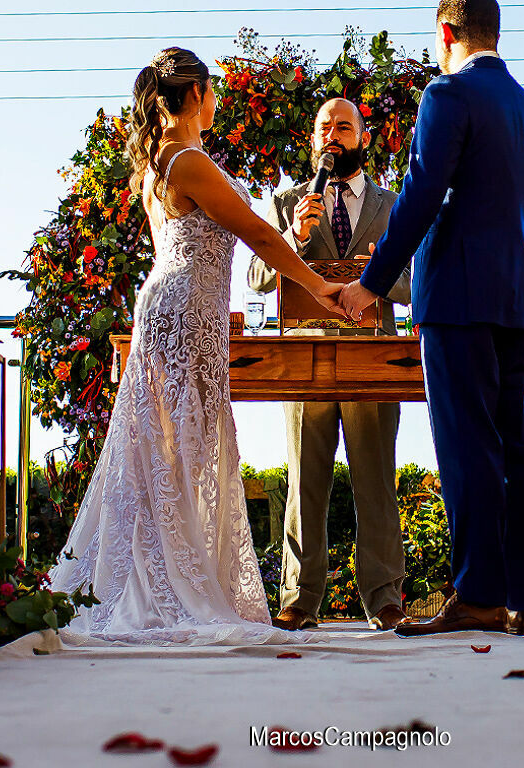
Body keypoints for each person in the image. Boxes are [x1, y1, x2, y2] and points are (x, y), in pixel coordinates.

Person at [48, 47, 349, 644]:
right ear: (192, 97)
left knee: (173, 448)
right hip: (184, 313)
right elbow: (254, 231)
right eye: (211, 92)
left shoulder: (161, 164)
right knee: (177, 446)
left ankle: (162, 575)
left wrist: (294, 237)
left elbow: (225, 236)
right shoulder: (186, 160)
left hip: (183, 308)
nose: (216, 102)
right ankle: (165, 588)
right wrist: (319, 283)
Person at [340, 0, 524, 637]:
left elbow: (421, 193)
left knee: (466, 448)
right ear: (494, 32)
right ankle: (522, 600)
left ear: (445, 32)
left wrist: (370, 284)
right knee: (514, 449)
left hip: (457, 297)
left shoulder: (447, 96)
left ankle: (478, 596)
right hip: (516, 297)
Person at [248, 97, 411, 631]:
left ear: (364, 137)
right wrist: (292, 238)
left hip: (372, 358)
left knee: (376, 480)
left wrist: (379, 277)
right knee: (304, 479)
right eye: (324, 128)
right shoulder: (286, 201)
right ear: (313, 140)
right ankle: (299, 598)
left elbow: (420, 283)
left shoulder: (395, 206)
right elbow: (255, 277)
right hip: (304, 357)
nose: (332, 135)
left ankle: (385, 598)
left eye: (344, 126)